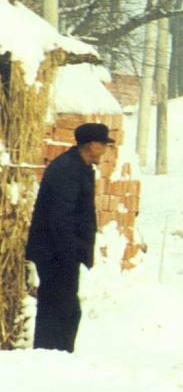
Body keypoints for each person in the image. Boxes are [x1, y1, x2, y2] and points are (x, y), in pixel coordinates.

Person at [25, 122, 115, 352]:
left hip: (62, 251)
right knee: (60, 309)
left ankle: (56, 354)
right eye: (103, 144)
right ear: (91, 145)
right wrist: (71, 252)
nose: (105, 149)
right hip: (56, 252)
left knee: (64, 309)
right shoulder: (67, 170)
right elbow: (60, 217)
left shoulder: (80, 167)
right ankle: (51, 356)